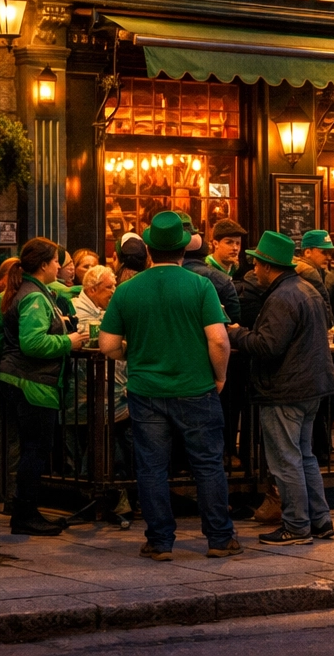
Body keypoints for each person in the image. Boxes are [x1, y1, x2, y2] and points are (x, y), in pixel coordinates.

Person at [97, 211, 237, 560]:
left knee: (152, 467)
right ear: (182, 251)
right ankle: (219, 538)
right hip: (197, 388)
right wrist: (219, 376)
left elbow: (108, 346)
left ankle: (160, 541)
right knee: (207, 464)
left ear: (149, 251)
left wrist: (135, 350)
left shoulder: (127, 290)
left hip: (146, 392)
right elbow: (219, 341)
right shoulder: (201, 286)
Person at [229, 231, 334, 545]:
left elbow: (267, 346)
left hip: (285, 390)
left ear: (266, 266)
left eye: (257, 264)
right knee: (305, 456)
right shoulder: (306, 289)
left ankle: (297, 526)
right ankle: (320, 520)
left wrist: (236, 334)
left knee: (286, 459)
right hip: (310, 387)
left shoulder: (281, 297)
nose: (255, 270)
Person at [0, 237, 89, 535]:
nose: (60, 265)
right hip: (32, 383)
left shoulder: (30, 291)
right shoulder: (34, 296)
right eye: (56, 260)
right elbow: (32, 342)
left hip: (19, 379)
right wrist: (68, 341)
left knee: (30, 449)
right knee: (35, 450)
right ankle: (25, 515)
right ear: (45, 264)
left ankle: (26, 512)